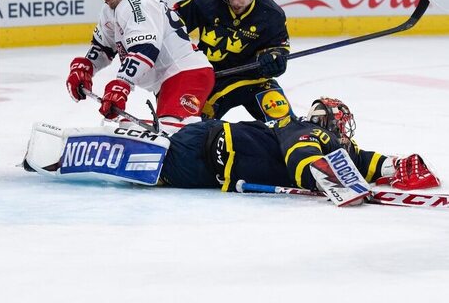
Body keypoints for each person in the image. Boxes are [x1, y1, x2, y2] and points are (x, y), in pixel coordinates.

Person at [24, 97, 441, 203]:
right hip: (206, 151)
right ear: (332, 124)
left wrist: (396, 164)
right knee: (148, 163)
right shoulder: (305, 133)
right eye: (342, 128)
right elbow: (302, 156)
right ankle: (68, 148)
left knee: (151, 164)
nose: (346, 136)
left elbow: (359, 161)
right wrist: (322, 175)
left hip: (206, 153)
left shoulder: (327, 144)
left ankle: (61, 150)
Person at [66, 0, 214, 131]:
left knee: (173, 134)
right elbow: (103, 48)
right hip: (169, 82)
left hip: (187, 75)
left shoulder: (138, 2)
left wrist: (122, 84)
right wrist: (86, 67)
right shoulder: (109, 11)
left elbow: (146, 49)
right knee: (168, 136)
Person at [173, 0, 292, 122]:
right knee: (192, 126)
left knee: (284, 121)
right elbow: (171, 23)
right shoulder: (205, 0)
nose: (235, 2)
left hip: (254, 80)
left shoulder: (271, 14)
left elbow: (279, 48)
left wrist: (274, 59)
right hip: (211, 79)